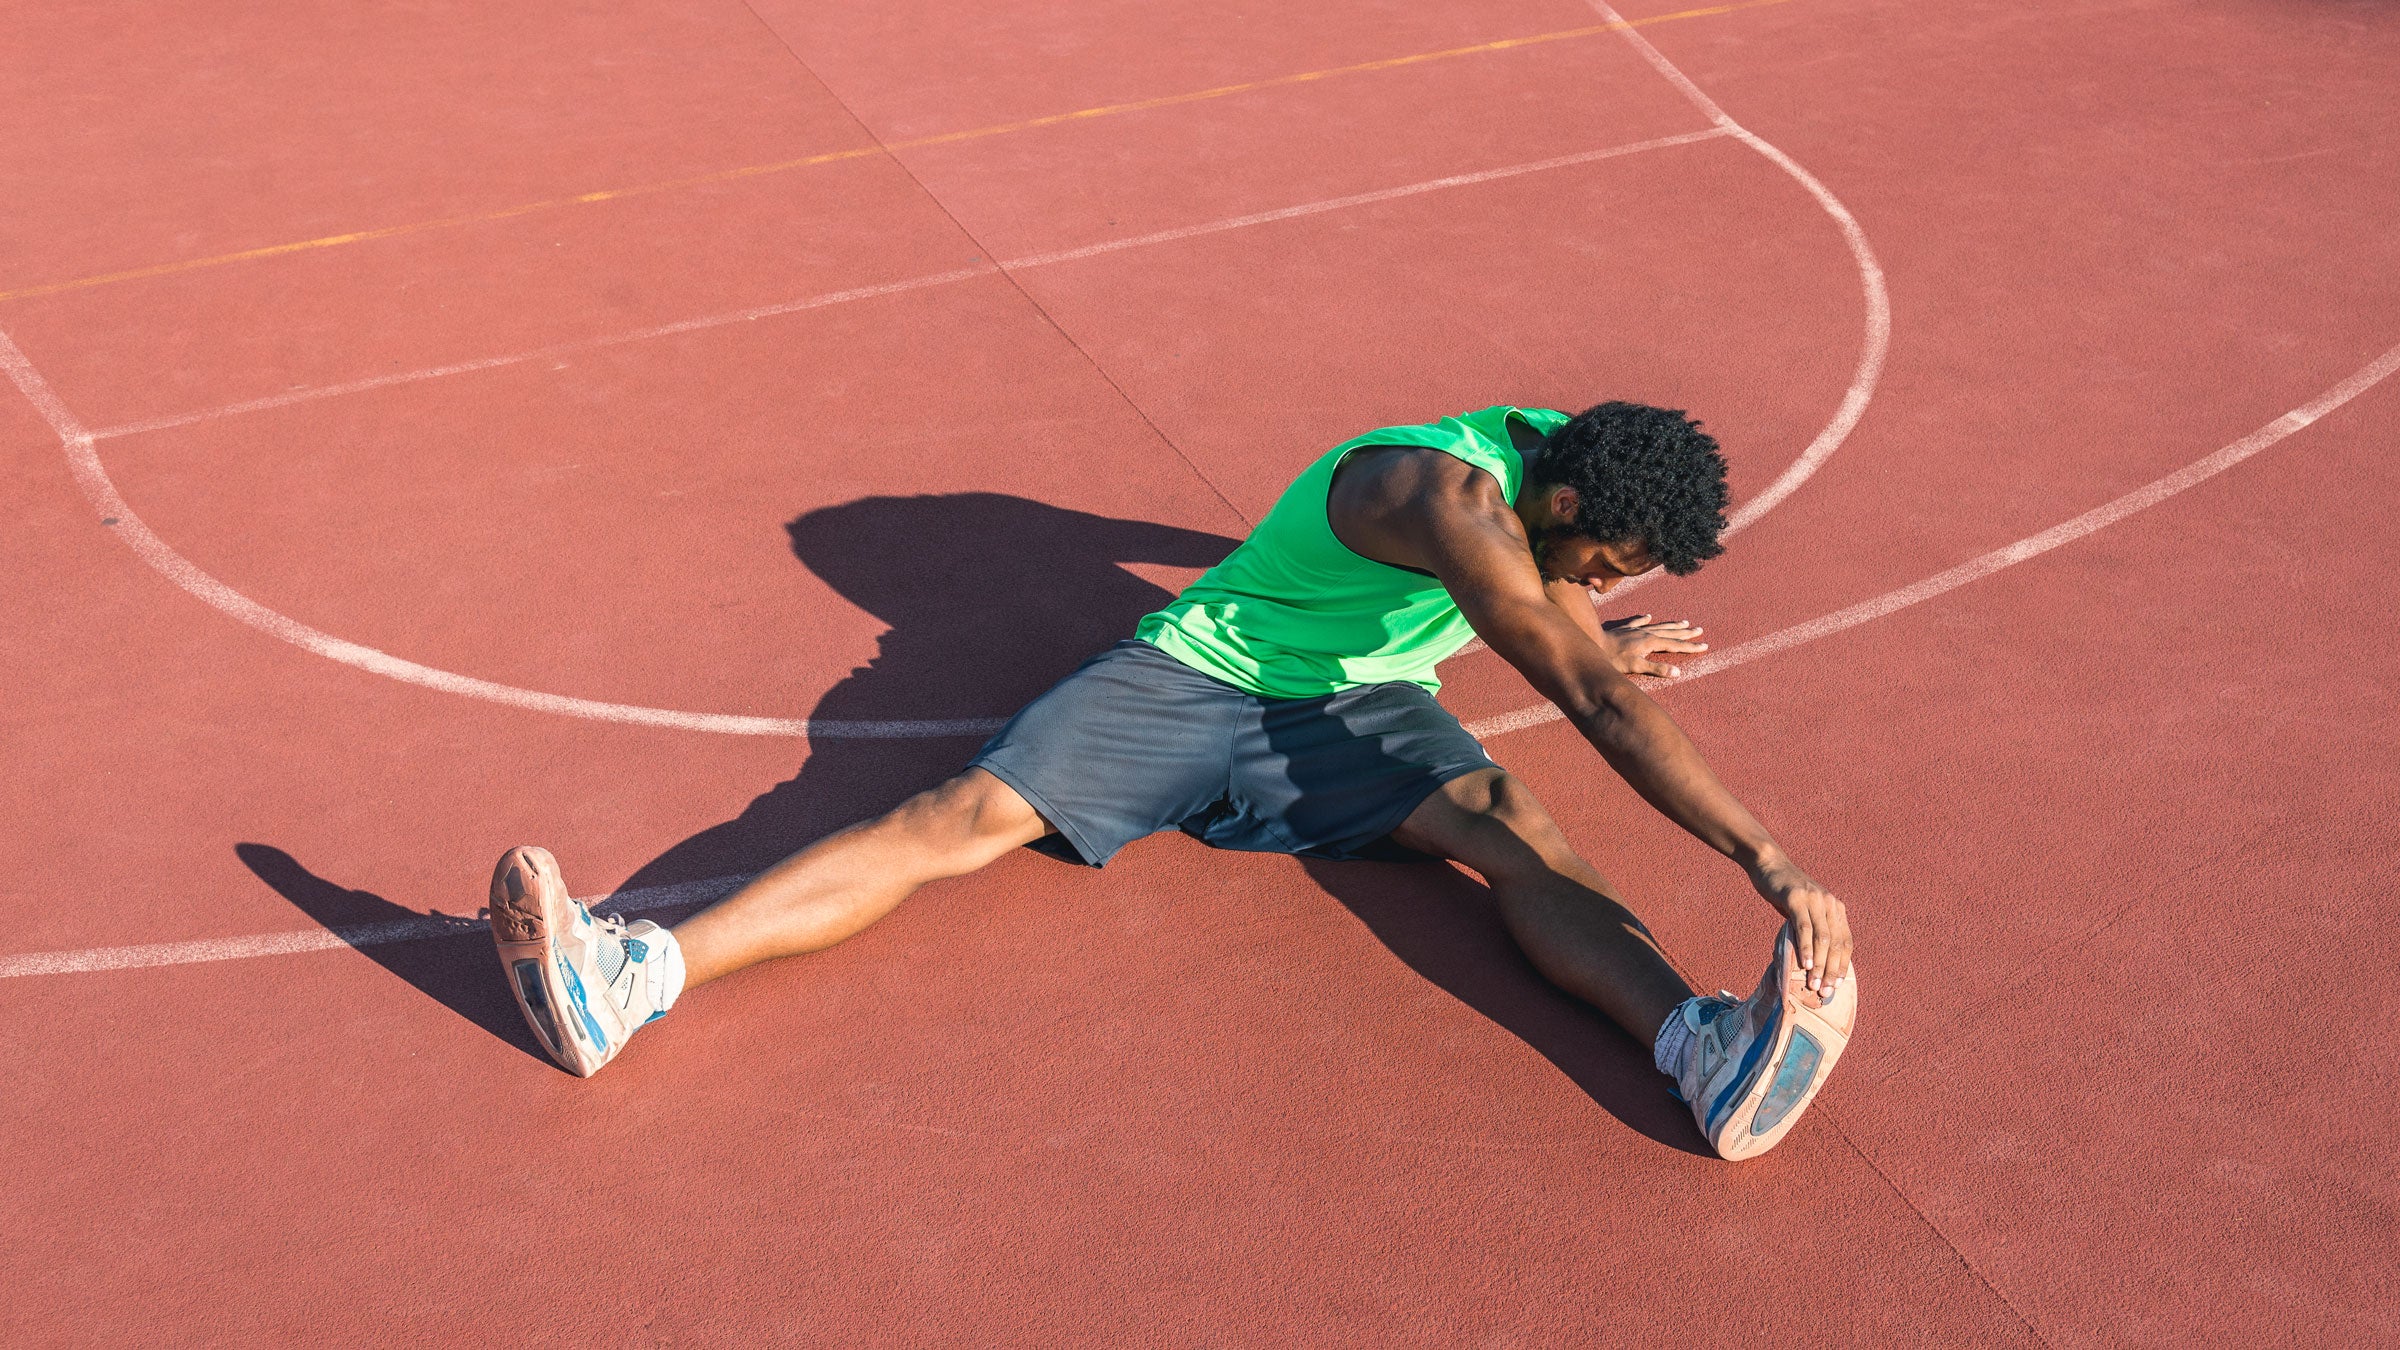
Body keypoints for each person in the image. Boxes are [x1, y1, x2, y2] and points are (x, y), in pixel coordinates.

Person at [486, 402, 1857, 1160]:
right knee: (956, 816)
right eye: (1606, 564)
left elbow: (1540, 624)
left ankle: (1702, 1052)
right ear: (1556, 510)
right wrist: (1767, 857)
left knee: (1512, 822)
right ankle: (633, 979)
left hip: (1351, 710)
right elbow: (1588, 692)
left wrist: (1575, 619)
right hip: (1193, 679)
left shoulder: (1556, 470)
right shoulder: (1446, 496)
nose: (1606, 586)